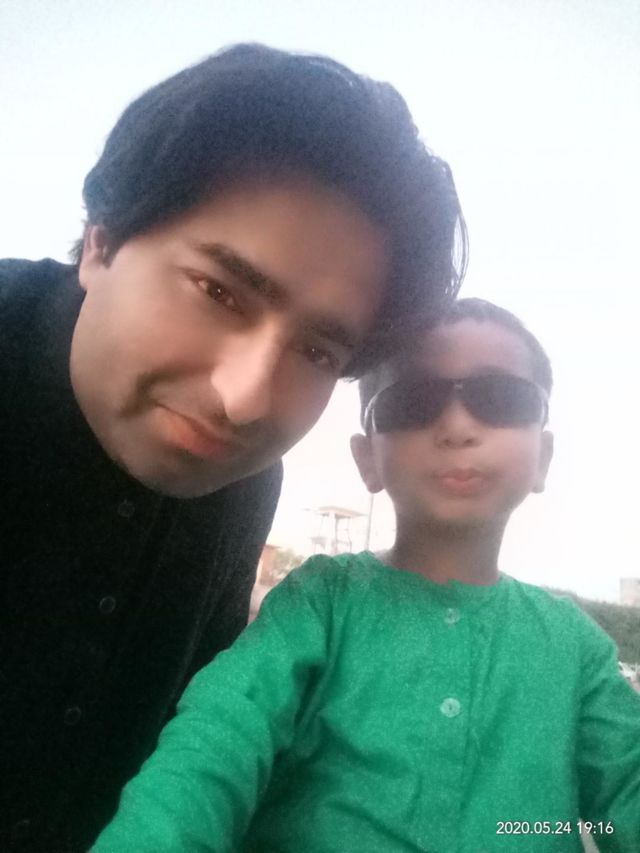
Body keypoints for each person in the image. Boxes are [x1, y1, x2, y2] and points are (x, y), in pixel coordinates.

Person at [0, 43, 467, 852]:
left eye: (317, 350)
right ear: (102, 241)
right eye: (219, 291)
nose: (246, 398)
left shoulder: (246, 484)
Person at [92, 298, 640, 852]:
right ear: (367, 458)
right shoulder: (319, 604)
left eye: (500, 398)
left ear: (543, 456)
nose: (457, 426)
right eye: (412, 402)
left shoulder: (577, 649)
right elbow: (214, 746)